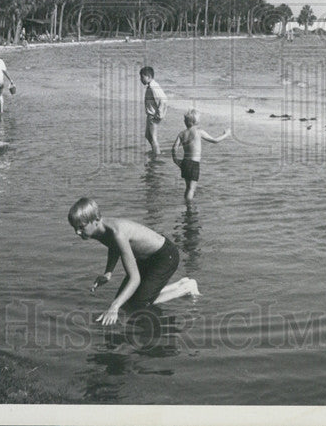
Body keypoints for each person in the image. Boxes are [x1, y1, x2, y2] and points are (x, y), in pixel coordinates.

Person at [68, 198, 199, 325]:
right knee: (124, 303)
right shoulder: (99, 230)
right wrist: (108, 272)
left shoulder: (117, 233)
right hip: (147, 258)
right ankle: (180, 284)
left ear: (95, 220)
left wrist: (114, 307)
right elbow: (114, 247)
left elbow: (134, 278)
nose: (77, 232)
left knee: (137, 305)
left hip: (164, 257)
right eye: (75, 228)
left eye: (81, 227)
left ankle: (186, 288)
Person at [171, 109, 231, 202]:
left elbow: (174, 148)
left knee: (188, 187)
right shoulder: (199, 132)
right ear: (196, 122)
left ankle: (186, 204)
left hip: (185, 163)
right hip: (194, 163)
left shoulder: (181, 134)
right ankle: (189, 207)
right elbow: (215, 140)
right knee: (191, 188)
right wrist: (226, 135)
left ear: (186, 122)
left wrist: (176, 160)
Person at [139, 66, 167, 156]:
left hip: (153, 115)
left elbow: (164, 99)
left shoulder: (153, 87)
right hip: (151, 115)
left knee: (153, 137)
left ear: (149, 76)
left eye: (142, 77)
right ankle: (155, 151)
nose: (141, 79)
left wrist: (159, 113)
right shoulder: (151, 86)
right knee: (148, 135)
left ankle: (157, 154)